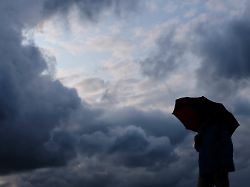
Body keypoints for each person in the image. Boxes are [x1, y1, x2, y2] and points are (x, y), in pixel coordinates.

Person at [194, 118, 235, 187]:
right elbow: (199, 149)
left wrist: (224, 164)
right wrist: (197, 141)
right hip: (205, 167)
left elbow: (227, 145)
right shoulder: (202, 129)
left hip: (219, 167)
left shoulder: (220, 125)